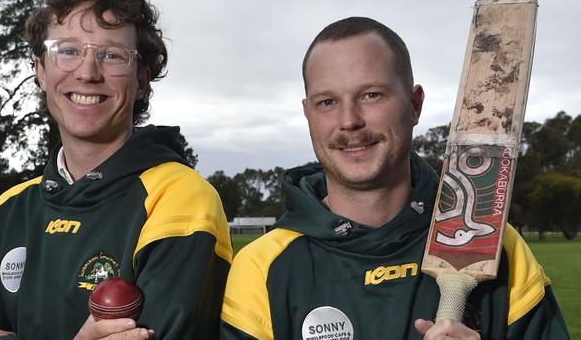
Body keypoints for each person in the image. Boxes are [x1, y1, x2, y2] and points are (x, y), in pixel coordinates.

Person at [220, 17, 569, 339]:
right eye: (327, 102)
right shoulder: (262, 267)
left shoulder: (493, 243)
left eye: (371, 95)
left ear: (414, 104)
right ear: (308, 113)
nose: (349, 121)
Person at [0, 0, 232, 339]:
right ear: (41, 71)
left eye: (111, 55)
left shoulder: (180, 200)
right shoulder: (7, 213)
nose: (88, 72)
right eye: (68, 50)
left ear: (141, 81)